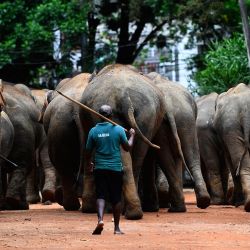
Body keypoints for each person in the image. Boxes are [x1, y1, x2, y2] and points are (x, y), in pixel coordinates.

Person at [85, 104, 135, 235]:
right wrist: (132, 135)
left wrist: (89, 162)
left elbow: (88, 151)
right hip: (115, 168)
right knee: (116, 198)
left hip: (100, 168)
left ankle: (100, 220)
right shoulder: (118, 130)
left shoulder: (93, 131)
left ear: (99, 116)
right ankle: (117, 228)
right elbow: (127, 148)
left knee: (100, 195)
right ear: (111, 116)